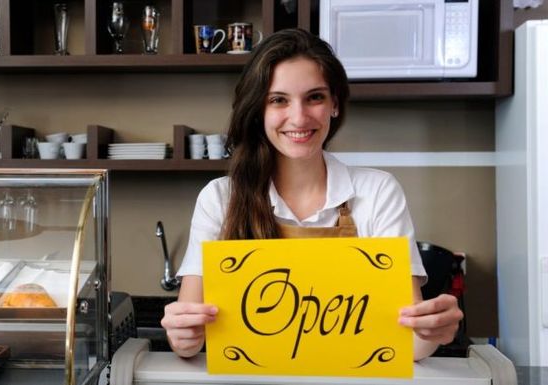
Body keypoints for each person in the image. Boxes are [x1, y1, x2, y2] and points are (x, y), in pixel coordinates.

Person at [161, 28, 463, 361]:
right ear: (258, 109)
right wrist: (183, 334)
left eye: (315, 97)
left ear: (335, 103)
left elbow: (409, 343)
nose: (299, 117)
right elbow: (188, 341)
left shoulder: (378, 192)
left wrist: (434, 332)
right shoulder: (219, 199)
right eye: (278, 100)